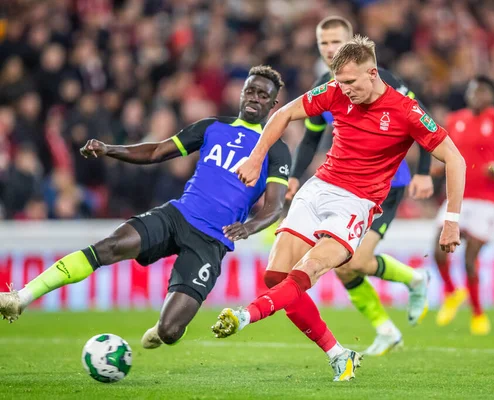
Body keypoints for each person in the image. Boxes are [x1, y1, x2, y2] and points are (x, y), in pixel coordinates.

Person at [211, 35, 466, 381]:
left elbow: (455, 159)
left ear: (373, 73)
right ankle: (339, 354)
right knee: (276, 276)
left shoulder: (406, 111)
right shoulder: (333, 91)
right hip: (318, 188)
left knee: (311, 268)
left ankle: (245, 315)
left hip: (356, 203)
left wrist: (451, 220)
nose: (344, 89)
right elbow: (284, 114)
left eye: (350, 82)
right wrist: (257, 159)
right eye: (339, 81)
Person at [0, 66, 292, 349]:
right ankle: (21, 298)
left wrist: (249, 226)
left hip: (212, 240)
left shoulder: (276, 149)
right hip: (177, 215)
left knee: (170, 331)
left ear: (274, 104)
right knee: (110, 246)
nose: (254, 98)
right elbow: (156, 151)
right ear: (241, 93)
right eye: (250, 91)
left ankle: (162, 329)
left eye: (263, 95)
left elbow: (275, 205)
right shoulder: (211, 126)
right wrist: (110, 149)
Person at [288, 16, 435, 357]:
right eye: (323, 43)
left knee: (356, 259)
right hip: (346, 189)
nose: (330, 49)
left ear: (352, 41)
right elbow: (311, 137)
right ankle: (386, 329)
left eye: (336, 41)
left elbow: (422, 118)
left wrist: (425, 171)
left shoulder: (382, 80)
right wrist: (295, 175)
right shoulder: (326, 86)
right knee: (342, 263)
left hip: (387, 185)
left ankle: (415, 280)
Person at [433, 76, 494, 335]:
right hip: (458, 196)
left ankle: (477, 313)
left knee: (469, 258)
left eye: (482, 91)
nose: (476, 95)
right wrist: (435, 167)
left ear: (491, 95)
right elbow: (446, 153)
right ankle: (452, 293)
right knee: (438, 250)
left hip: (488, 201)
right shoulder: (455, 120)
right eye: (472, 90)